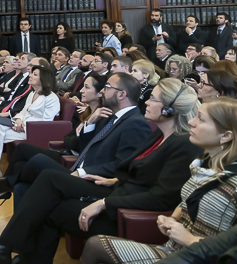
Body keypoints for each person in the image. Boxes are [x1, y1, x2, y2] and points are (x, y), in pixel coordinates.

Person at [0, 77, 201, 264]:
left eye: (154, 99)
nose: (147, 101)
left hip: (123, 206)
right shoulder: (159, 134)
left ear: (169, 109)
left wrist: (105, 201)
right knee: (43, 193)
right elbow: (129, 169)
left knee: (46, 178)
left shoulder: (180, 144)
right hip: (115, 189)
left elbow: (161, 196)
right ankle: (10, 253)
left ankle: (3, 248)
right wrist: (113, 180)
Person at [81, 98, 237, 264]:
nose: (191, 122)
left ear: (226, 135)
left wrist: (190, 239)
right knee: (95, 244)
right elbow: (188, 199)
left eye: (201, 119)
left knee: (95, 246)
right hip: (174, 249)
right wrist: (173, 218)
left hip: (200, 258)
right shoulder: (202, 164)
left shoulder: (233, 181)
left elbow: (231, 247)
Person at [0, 73, 108, 206]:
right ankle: (5, 186)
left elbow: (78, 144)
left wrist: (78, 134)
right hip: (64, 150)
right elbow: (68, 138)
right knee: (20, 158)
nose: (81, 91)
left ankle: (2, 188)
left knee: (34, 158)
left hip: (71, 160)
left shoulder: (100, 117)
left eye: (86, 87)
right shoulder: (87, 112)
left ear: (100, 93)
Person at [0, 66, 60, 178]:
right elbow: (23, 111)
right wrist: (19, 120)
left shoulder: (52, 98)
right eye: (31, 73)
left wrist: (23, 127)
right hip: (21, 126)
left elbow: (45, 124)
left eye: (34, 74)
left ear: (44, 79)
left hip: (33, 131)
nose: (30, 75)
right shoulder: (32, 93)